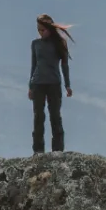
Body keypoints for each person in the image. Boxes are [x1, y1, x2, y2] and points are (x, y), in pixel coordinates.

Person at [29, 14, 74, 154]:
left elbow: (65, 66)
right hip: (37, 84)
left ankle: (58, 150)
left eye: (43, 30)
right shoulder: (35, 44)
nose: (40, 33)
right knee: (38, 117)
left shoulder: (60, 43)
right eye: (38, 30)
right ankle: (38, 151)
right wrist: (30, 86)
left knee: (55, 116)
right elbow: (33, 65)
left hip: (54, 84)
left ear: (50, 29)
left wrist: (67, 85)